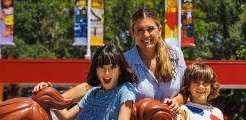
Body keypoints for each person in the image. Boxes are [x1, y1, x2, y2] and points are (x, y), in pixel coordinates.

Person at [34, 8, 186, 113]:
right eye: (139, 30)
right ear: (132, 33)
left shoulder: (176, 54)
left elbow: (187, 91)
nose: (145, 35)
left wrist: (177, 101)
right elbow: (91, 86)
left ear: (159, 30)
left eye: (150, 29)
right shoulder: (125, 60)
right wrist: (49, 96)